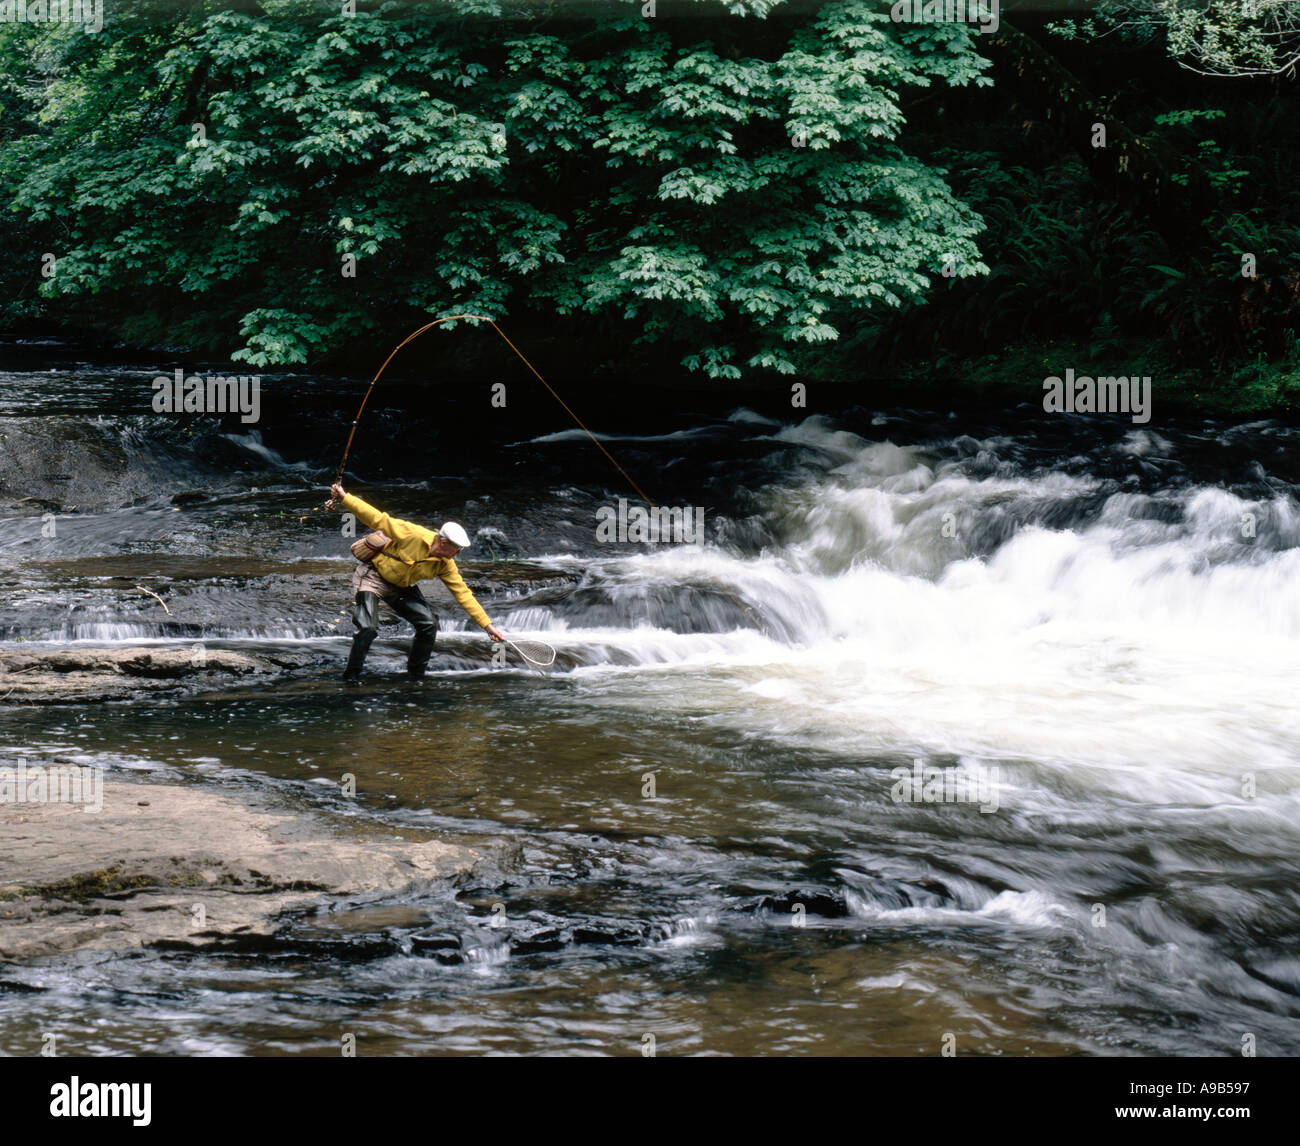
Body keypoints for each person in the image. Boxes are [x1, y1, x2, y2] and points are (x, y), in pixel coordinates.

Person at [330, 482, 504, 680]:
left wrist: (488, 626)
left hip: (401, 587)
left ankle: (415, 678)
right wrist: (345, 498)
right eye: (457, 549)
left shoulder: (445, 564)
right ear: (443, 542)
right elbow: (377, 519)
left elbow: (463, 594)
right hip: (373, 577)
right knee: (368, 628)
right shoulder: (412, 534)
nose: (458, 553)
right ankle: (351, 678)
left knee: (429, 624)